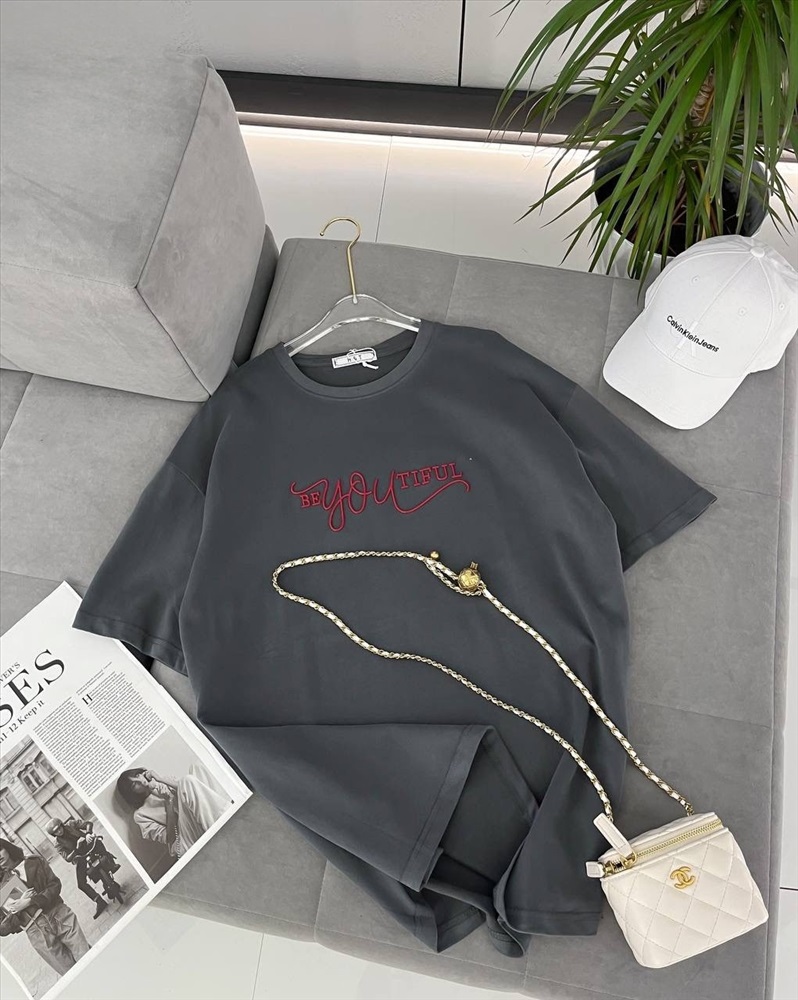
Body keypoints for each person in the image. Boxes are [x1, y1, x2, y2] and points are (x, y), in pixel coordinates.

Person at [0, 837, 90, 975]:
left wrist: (30, 901)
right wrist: (15, 910)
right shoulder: (2, 887)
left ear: (7, 847)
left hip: (59, 915)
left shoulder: (34, 861)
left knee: (87, 957)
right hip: (37, 932)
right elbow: (3, 928)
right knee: (71, 973)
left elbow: (55, 885)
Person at [115, 761, 230, 859]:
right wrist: (168, 802)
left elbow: (186, 789)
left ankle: (224, 814)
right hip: (184, 840)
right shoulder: (140, 814)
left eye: (138, 775)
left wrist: (160, 779)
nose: (140, 781)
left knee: (196, 766)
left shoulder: (160, 783)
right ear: (131, 792)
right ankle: (224, 822)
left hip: (199, 818)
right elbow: (170, 838)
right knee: (187, 780)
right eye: (134, 784)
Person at [45, 817, 117, 916]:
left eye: (59, 828)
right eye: (56, 832)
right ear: (53, 834)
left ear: (62, 825)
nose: (59, 831)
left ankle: (112, 865)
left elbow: (88, 823)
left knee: (99, 843)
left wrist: (88, 834)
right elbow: (67, 858)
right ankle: (99, 901)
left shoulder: (71, 824)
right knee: (81, 884)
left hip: (90, 846)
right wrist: (76, 849)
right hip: (80, 857)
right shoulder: (57, 844)